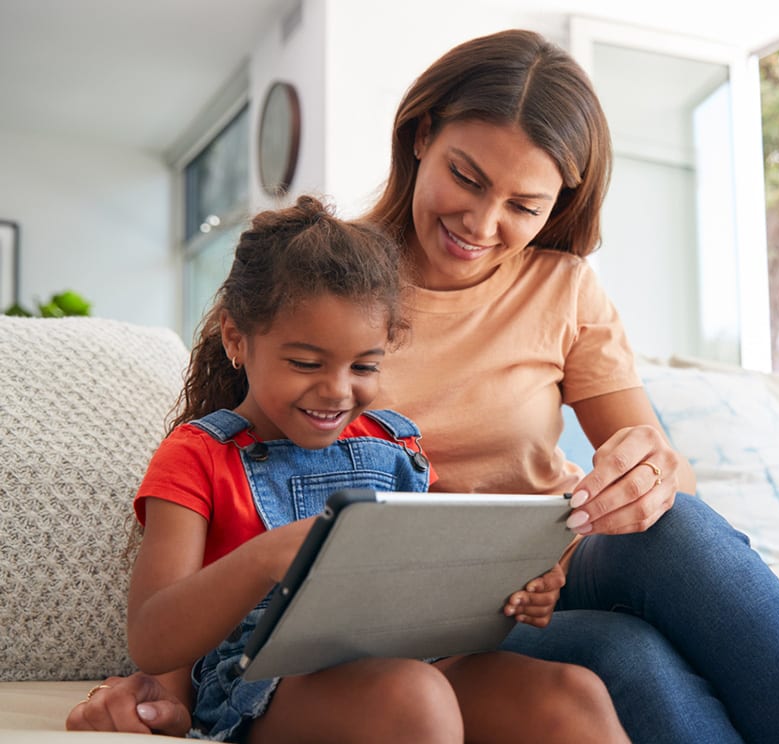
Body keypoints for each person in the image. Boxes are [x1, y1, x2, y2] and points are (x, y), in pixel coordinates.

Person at [69, 29, 779, 743]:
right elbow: (236, 470)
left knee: (684, 527)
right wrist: (163, 680)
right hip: (427, 603)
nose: (483, 225)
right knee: (631, 658)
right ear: (422, 136)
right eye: (467, 176)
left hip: (555, 561)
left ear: (559, 202)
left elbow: (665, 476)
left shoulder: (564, 287)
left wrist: (648, 471)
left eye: (524, 205)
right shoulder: (327, 282)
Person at [87, 194, 630, 743]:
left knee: (572, 696)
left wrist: (514, 591)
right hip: (263, 684)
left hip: (416, 660)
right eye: (305, 363)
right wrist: (268, 557)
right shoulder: (197, 455)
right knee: (414, 699)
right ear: (237, 339)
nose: (337, 390)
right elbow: (152, 637)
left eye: (364, 365)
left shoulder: (395, 445)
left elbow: (432, 586)